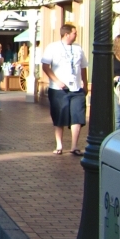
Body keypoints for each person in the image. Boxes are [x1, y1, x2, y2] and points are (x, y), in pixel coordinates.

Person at [41, 23, 88, 156]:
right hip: (58, 89)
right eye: (74, 33)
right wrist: (57, 81)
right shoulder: (53, 47)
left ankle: (74, 146)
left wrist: (85, 83)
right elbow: (45, 66)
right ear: (66, 34)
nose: (76, 35)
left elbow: (83, 67)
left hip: (76, 89)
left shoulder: (78, 48)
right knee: (60, 117)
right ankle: (59, 145)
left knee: (77, 116)